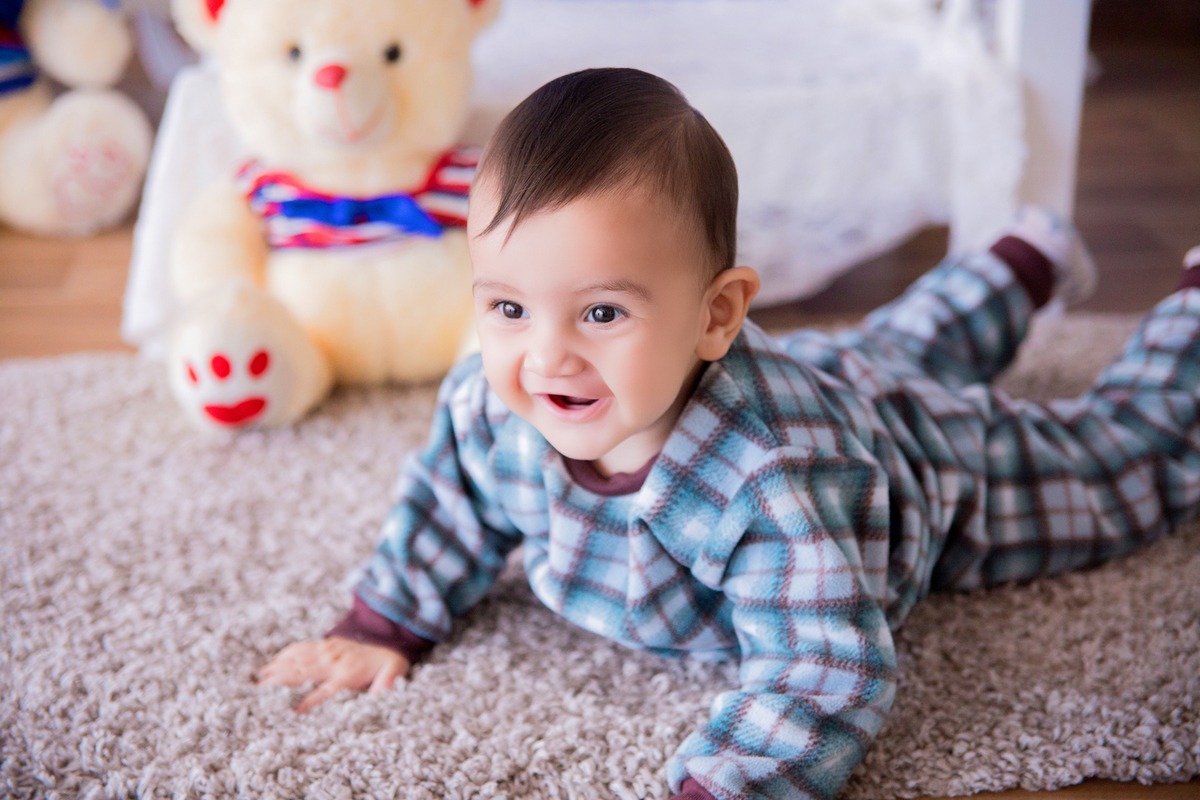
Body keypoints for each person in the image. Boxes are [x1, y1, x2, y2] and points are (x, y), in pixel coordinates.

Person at [256, 68, 1200, 800]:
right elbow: (446, 508)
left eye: (599, 315)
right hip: (832, 382)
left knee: (1125, 464)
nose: (545, 360)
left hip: (923, 469)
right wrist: (384, 623)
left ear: (719, 315)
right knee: (885, 349)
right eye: (507, 305)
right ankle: (1018, 262)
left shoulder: (773, 477)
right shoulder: (486, 405)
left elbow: (824, 669)